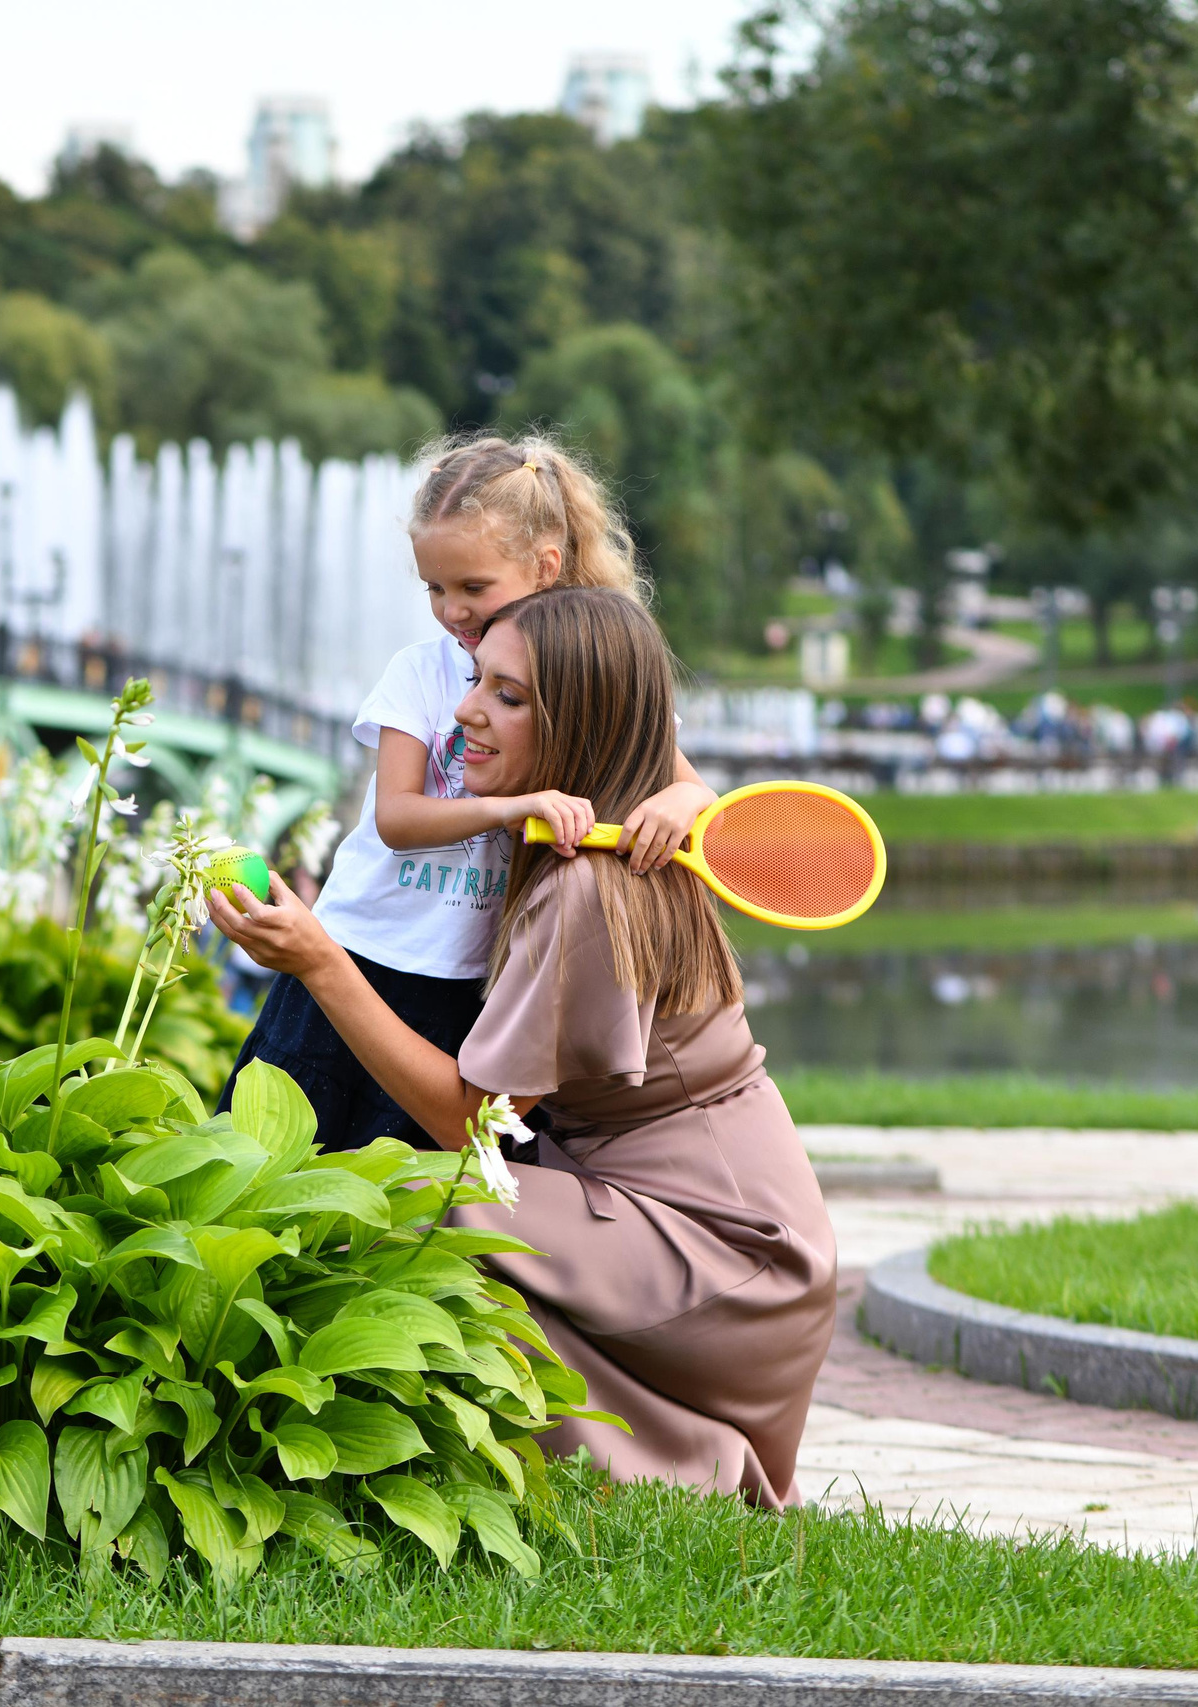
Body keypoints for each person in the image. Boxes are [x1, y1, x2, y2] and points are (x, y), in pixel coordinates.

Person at [209, 586, 836, 1510]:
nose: (464, 711)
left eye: (508, 695)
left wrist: (319, 961)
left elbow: (467, 1121)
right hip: (685, 1223)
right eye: (474, 680)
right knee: (422, 1194)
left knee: (410, 1193)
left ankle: (683, 1468)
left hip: (724, 1256)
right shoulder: (580, 841)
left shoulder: (590, 891)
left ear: (577, 728)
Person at [222, 434, 717, 1150]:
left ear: (546, 567)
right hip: (364, 952)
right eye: (434, 588)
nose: (451, 610)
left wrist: (676, 806)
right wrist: (510, 809)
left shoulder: (588, 681)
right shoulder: (421, 674)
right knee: (279, 1159)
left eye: (473, 587)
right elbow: (395, 816)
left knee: (416, 1188)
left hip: (474, 983)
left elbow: (691, 789)